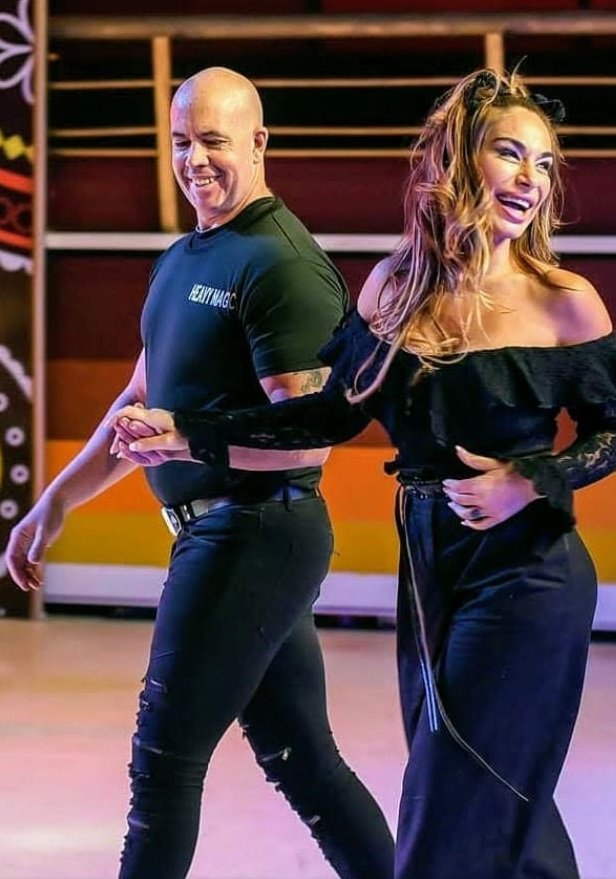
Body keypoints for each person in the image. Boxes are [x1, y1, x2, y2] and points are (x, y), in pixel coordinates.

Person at [111, 69, 616, 878]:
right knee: (503, 801)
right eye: (510, 154)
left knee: (449, 793)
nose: (530, 179)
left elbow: (613, 431)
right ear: (457, 160)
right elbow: (326, 417)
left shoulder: (565, 299)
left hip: (530, 571)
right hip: (429, 566)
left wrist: (530, 479)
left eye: (542, 163)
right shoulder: (395, 288)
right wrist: (191, 431)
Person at [5, 68, 395, 879]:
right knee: (302, 760)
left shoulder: (280, 265)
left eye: (213, 140)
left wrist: (189, 442)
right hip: (226, 534)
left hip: (255, 532)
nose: (194, 159)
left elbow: (308, 442)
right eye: (181, 141)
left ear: (258, 142)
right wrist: (56, 500)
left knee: (164, 764)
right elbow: (140, 400)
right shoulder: (184, 256)